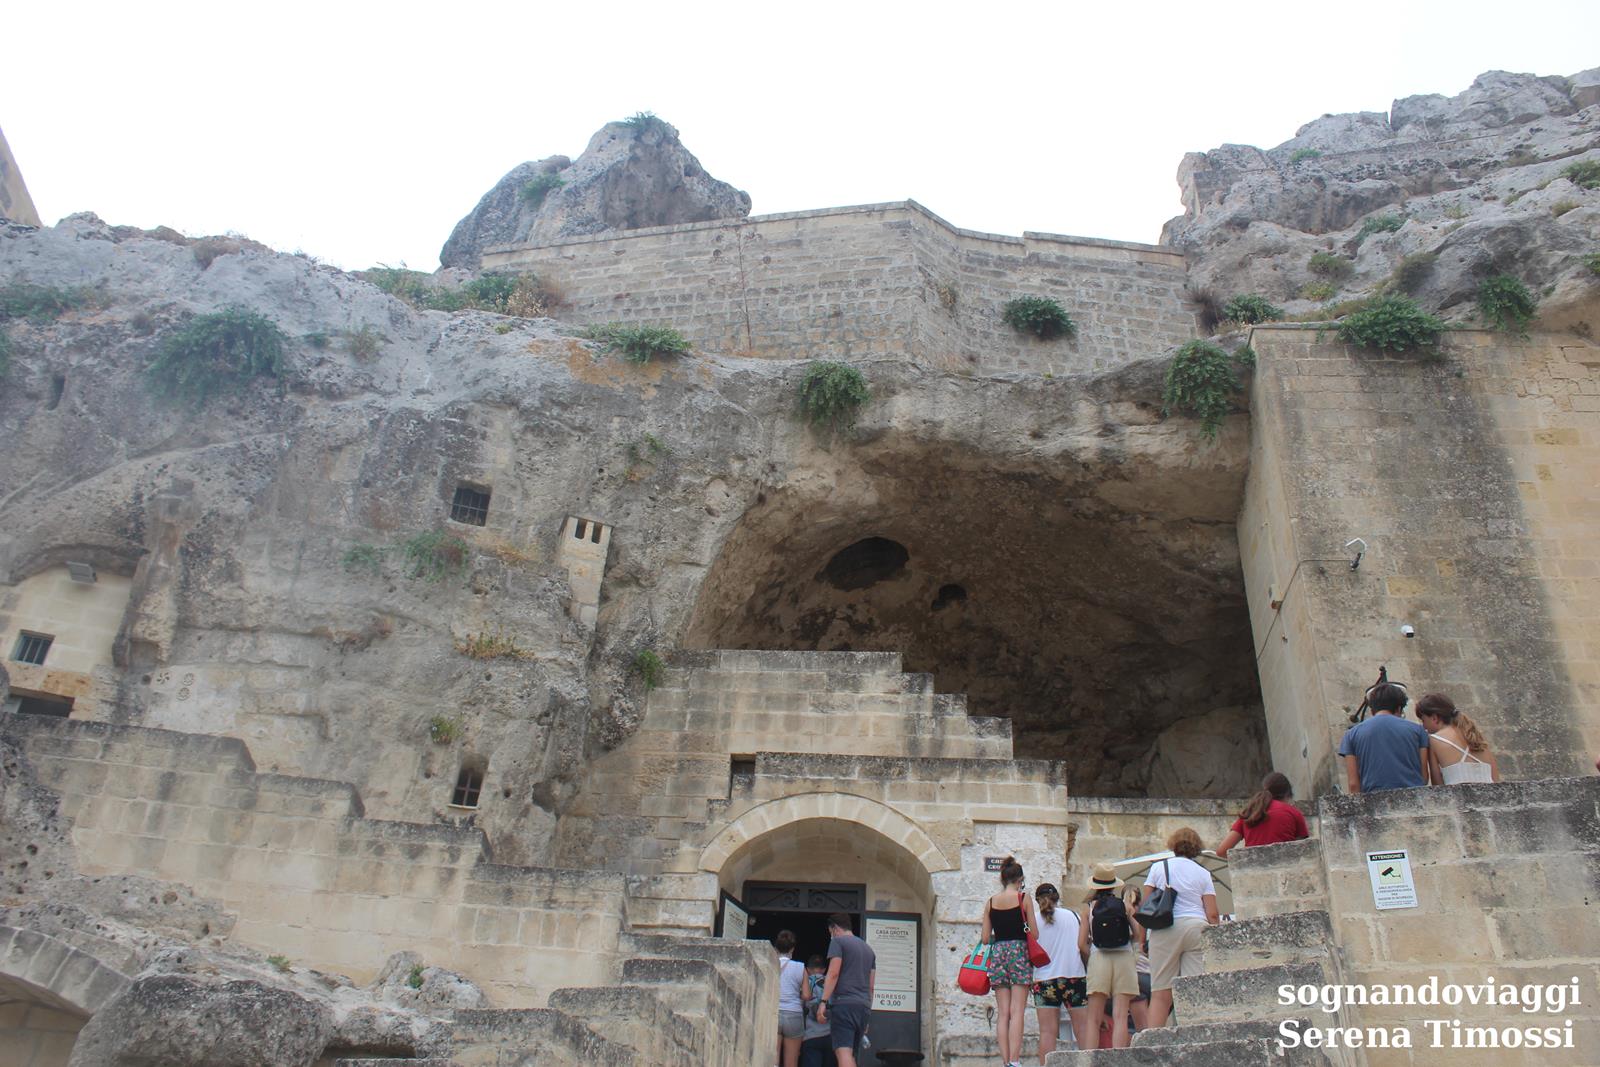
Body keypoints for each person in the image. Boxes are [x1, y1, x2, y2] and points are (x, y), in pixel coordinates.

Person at [1143, 828, 1220, 1029]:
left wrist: (1142, 940)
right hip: (1196, 927)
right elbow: (1212, 913)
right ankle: (1194, 1035)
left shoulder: (1159, 868)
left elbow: (1145, 906)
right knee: (1193, 989)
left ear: (1173, 844)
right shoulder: (1204, 873)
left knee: (1161, 994)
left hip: (1165, 928)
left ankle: (1152, 1041)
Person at [979, 856, 1036, 1067]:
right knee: (1017, 1010)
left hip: (999, 953)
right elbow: (1035, 934)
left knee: (1003, 1012)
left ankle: (1005, 1061)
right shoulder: (1024, 899)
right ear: (1020, 879)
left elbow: (985, 938)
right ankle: (1015, 1060)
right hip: (1019, 952)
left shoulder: (991, 902)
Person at [1077, 863, 1140, 1050]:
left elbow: (1081, 944)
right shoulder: (1125, 906)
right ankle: (1118, 1059)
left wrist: (1092, 957)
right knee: (1121, 1015)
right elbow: (1137, 934)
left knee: (1093, 1018)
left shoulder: (1088, 909)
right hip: (1124, 959)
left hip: (1099, 959)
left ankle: (1089, 1060)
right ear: (1114, 885)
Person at [1029, 881, 1089, 1062]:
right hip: (1074, 976)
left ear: (1037, 900)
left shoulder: (1033, 922)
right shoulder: (1073, 916)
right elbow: (1083, 945)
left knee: (1047, 1032)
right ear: (1057, 897)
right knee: (1083, 1029)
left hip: (1044, 980)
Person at [1338, 682, 1430, 793]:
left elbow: (1353, 784)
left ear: (1372, 710)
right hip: (1414, 798)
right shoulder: (1418, 731)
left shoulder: (1351, 734)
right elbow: (1424, 777)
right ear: (1399, 708)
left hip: (1373, 801)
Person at [816, 913, 875, 1067]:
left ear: (834, 928)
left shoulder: (838, 942)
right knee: (850, 1054)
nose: (831, 935)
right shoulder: (869, 950)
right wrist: (868, 1014)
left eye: (830, 932)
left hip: (844, 1005)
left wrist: (823, 1002)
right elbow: (871, 986)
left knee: (843, 1052)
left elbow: (833, 974)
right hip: (863, 1007)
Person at [1214, 772, 1310, 857]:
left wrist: (1246, 858)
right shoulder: (1294, 812)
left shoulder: (1250, 813)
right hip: (1286, 871)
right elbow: (1303, 851)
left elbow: (1221, 851)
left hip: (1253, 871)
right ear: (1287, 795)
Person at [1416, 693, 1500, 784]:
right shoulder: (1475, 736)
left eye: (1423, 720)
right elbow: (1495, 779)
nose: (1424, 726)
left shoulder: (1434, 740)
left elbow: (1437, 785)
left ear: (1434, 718)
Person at [775, 930, 806, 1067]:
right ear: (792, 949)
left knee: (772, 1061)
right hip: (793, 1014)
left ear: (776, 948)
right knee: (791, 1063)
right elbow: (806, 995)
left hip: (773, 1013)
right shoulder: (800, 967)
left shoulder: (770, 964)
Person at [800, 956, 836, 1067]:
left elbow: (800, 1008)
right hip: (831, 1036)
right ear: (824, 969)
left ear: (807, 970)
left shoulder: (806, 984)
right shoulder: (832, 984)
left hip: (811, 1036)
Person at [1124, 888, 1150, 1033]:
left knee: (1134, 1027)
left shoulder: (1120, 915)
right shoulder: (1145, 917)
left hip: (1130, 975)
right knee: (1150, 1027)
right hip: (1149, 974)